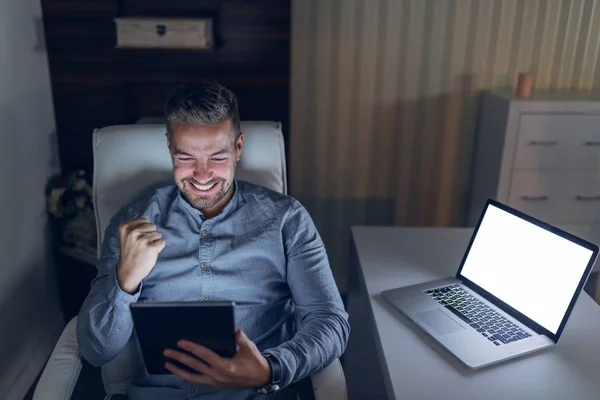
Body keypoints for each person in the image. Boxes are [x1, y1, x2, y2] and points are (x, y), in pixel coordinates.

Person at [76, 82, 350, 400]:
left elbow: (330, 321)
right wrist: (125, 283)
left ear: (238, 148)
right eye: (186, 157)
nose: (202, 175)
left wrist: (270, 369)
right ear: (169, 148)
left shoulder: (287, 219)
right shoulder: (134, 221)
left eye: (217, 157)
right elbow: (95, 351)